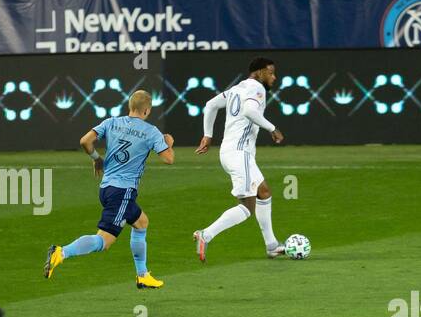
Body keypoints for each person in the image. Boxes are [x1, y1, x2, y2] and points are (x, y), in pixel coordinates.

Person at [44, 90, 174, 288]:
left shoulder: (111, 122)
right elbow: (169, 159)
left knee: (141, 222)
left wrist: (97, 159)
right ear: (147, 110)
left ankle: (143, 275)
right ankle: (61, 252)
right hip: (123, 192)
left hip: (106, 188)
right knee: (103, 242)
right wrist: (169, 144)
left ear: (130, 106)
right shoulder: (151, 131)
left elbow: (85, 141)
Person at [194, 57, 287, 261]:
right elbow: (249, 111)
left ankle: (271, 245)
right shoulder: (257, 89)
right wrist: (273, 128)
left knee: (264, 192)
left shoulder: (236, 88)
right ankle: (206, 235)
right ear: (259, 72)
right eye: (270, 72)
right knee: (247, 207)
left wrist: (208, 135)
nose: (274, 77)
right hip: (239, 153)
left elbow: (210, 105)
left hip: (231, 152)